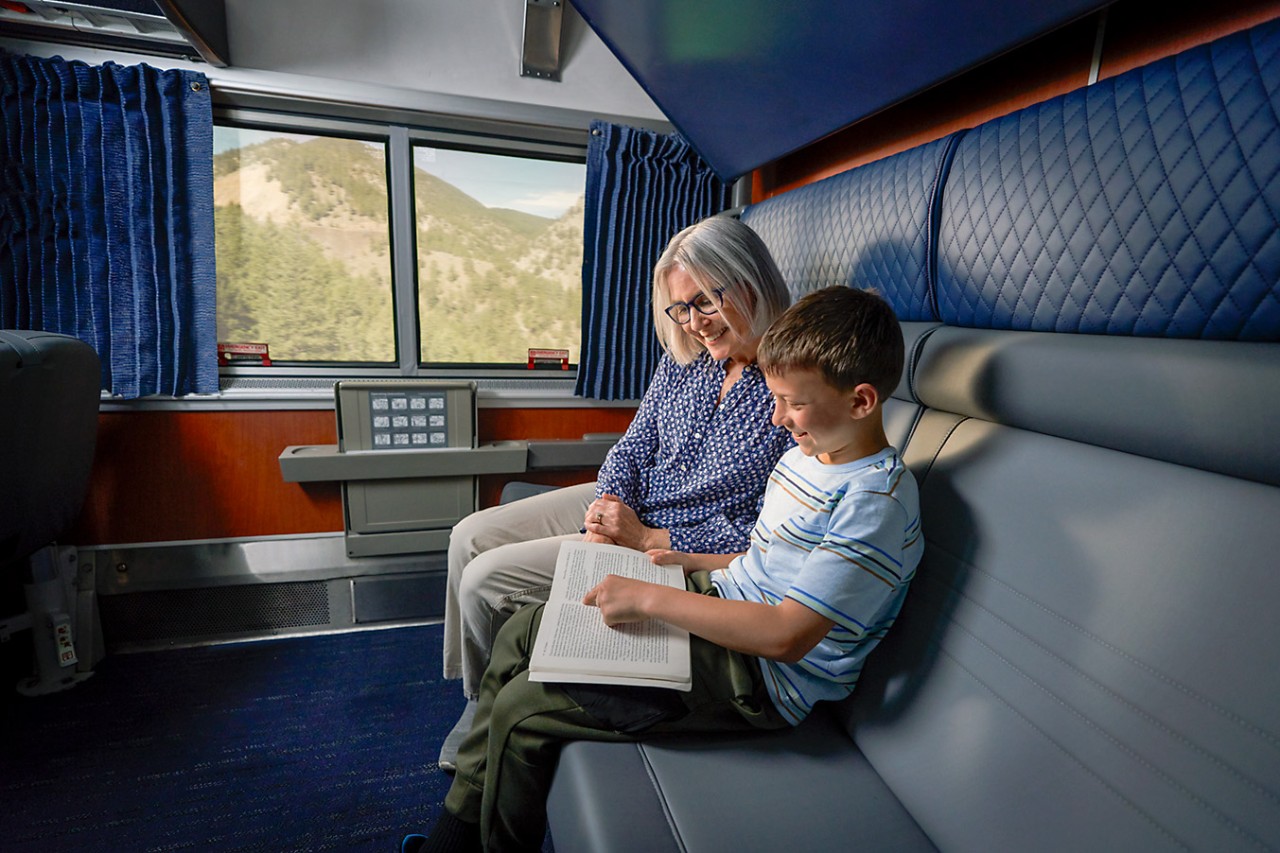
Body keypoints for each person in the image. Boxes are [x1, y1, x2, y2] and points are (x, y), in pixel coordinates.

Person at [406, 285, 925, 852]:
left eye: (792, 404)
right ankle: (457, 837)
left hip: (758, 679)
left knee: (526, 709)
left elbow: (788, 634)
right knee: (521, 631)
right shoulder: (809, 457)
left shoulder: (873, 501)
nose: (777, 418)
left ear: (861, 401)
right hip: (722, 599)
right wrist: (681, 562)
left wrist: (650, 598)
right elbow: (764, 560)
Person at [436, 216, 795, 770]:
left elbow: (761, 530)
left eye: (705, 302)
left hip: (670, 542)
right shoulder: (688, 363)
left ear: (749, 280)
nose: (694, 323)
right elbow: (633, 445)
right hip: (627, 508)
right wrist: (605, 509)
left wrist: (645, 536)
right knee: (467, 537)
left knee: (487, 582)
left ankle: (484, 723)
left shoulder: (792, 384)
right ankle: (477, 694)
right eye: (680, 309)